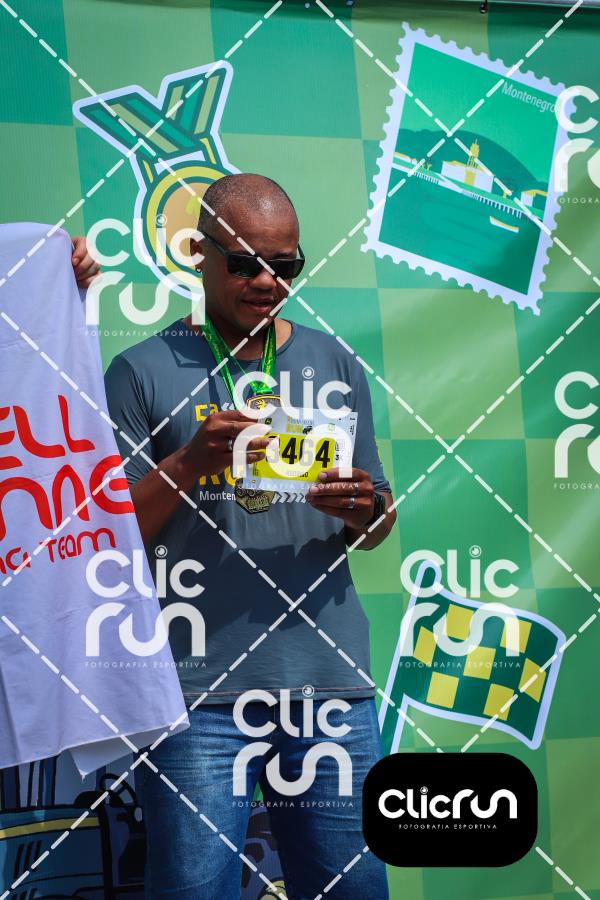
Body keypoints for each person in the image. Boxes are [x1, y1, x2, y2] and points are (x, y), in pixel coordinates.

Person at [75, 173, 396, 899]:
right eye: (245, 262)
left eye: (285, 265)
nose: (266, 281)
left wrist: (362, 509)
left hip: (330, 687)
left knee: (353, 890)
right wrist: (190, 462)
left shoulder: (335, 363)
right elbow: (110, 537)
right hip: (197, 695)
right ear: (199, 253)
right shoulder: (140, 370)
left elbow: (378, 522)